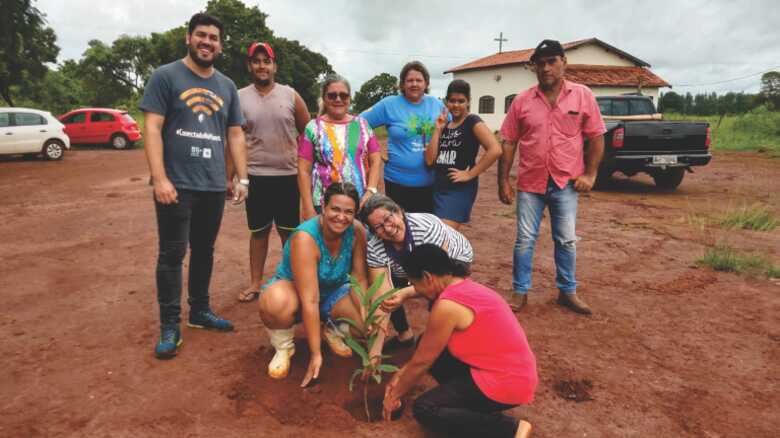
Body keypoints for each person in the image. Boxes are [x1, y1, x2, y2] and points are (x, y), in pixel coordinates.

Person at [140, 13, 248, 360]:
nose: (207, 42)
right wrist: (159, 178)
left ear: (220, 44)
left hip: (213, 185)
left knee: (204, 250)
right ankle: (170, 325)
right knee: (172, 253)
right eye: (201, 35)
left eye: (214, 37)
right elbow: (153, 128)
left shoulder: (227, 86)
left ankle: (200, 311)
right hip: (177, 184)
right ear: (188, 38)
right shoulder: (166, 76)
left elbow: (234, 133)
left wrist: (240, 177)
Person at [382, 244, 536, 438]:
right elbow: (425, 352)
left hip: (507, 382)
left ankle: (510, 429)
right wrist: (402, 375)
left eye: (415, 283)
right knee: (425, 341)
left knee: (425, 408)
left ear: (428, 277)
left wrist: (395, 395)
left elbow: (422, 362)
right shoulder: (463, 285)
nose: (416, 290)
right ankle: (470, 405)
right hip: (514, 372)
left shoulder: (448, 306)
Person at [498, 39, 606, 314]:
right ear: (534, 67)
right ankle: (519, 292)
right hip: (530, 183)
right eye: (540, 63)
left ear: (563, 63)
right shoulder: (522, 101)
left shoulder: (583, 96)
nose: (545, 68)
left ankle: (567, 291)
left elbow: (596, 136)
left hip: (566, 183)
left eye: (551, 62)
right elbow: (508, 141)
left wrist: (591, 175)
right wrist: (503, 181)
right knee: (524, 239)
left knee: (566, 239)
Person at [258, 183, 372, 385]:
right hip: (298, 295)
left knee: (368, 324)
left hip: (334, 293)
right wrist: (316, 354)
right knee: (275, 302)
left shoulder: (357, 231)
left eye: (349, 212)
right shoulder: (306, 237)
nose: (341, 217)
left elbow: (360, 279)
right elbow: (310, 300)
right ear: (323, 206)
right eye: (335, 209)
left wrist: (365, 316)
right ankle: (284, 346)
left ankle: (332, 330)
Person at [237, 41, 311, 303]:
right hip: (255, 176)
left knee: (289, 233)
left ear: (274, 65)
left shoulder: (291, 95)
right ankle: (255, 283)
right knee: (258, 232)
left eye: (266, 61)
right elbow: (232, 138)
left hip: (288, 177)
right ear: (250, 66)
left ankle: (293, 280)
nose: (261, 66)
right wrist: (230, 177)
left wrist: (307, 168)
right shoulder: (239, 97)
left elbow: (308, 132)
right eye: (256, 61)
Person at [359, 194, 473, 349]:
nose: (388, 229)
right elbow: (381, 295)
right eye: (378, 227)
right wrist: (374, 353)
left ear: (399, 212)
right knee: (389, 296)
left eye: (388, 219)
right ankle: (405, 335)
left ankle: (445, 345)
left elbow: (435, 278)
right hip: (410, 268)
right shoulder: (374, 246)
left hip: (451, 264)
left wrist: (406, 292)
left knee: (441, 296)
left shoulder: (427, 227)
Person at [361, 61, 446, 213]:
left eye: (419, 80)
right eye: (410, 80)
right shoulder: (389, 105)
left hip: (430, 182)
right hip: (397, 182)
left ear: (426, 83)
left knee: (425, 229)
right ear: (402, 84)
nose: (414, 84)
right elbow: (359, 124)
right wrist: (376, 150)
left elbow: (453, 125)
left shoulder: (436, 104)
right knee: (398, 228)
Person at [298, 74, 381, 219]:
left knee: (357, 240)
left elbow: (376, 159)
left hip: (358, 202)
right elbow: (303, 170)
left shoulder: (362, 125)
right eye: (332, 95)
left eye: (343, 95)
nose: (338, 99)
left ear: (349, 99)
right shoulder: (313, 127)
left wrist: (371, 190)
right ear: (324, 98)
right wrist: (307, 206)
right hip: (323, 204)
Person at [425, 79, 501, 230]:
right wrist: (437, 130)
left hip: (458, 190)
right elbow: (429, 160)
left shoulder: (472, 121)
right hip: (438, 188)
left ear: (468, 102)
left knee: (443, 237)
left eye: (461, 101)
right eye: (452, 101)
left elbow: (495, 149)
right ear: (446, 102)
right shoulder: (444, 125)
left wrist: (470, 174)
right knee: (437, 239)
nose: (456, 105)